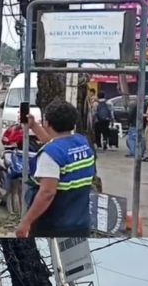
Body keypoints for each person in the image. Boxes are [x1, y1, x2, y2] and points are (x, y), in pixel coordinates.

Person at [15, 100, 96, 238]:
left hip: (54, 226)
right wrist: (34, 126)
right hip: (81, 224)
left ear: (47, 123)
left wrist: (26, 221)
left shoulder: (50, 155)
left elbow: (47, 193)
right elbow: (56, 142)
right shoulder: (82, 142)